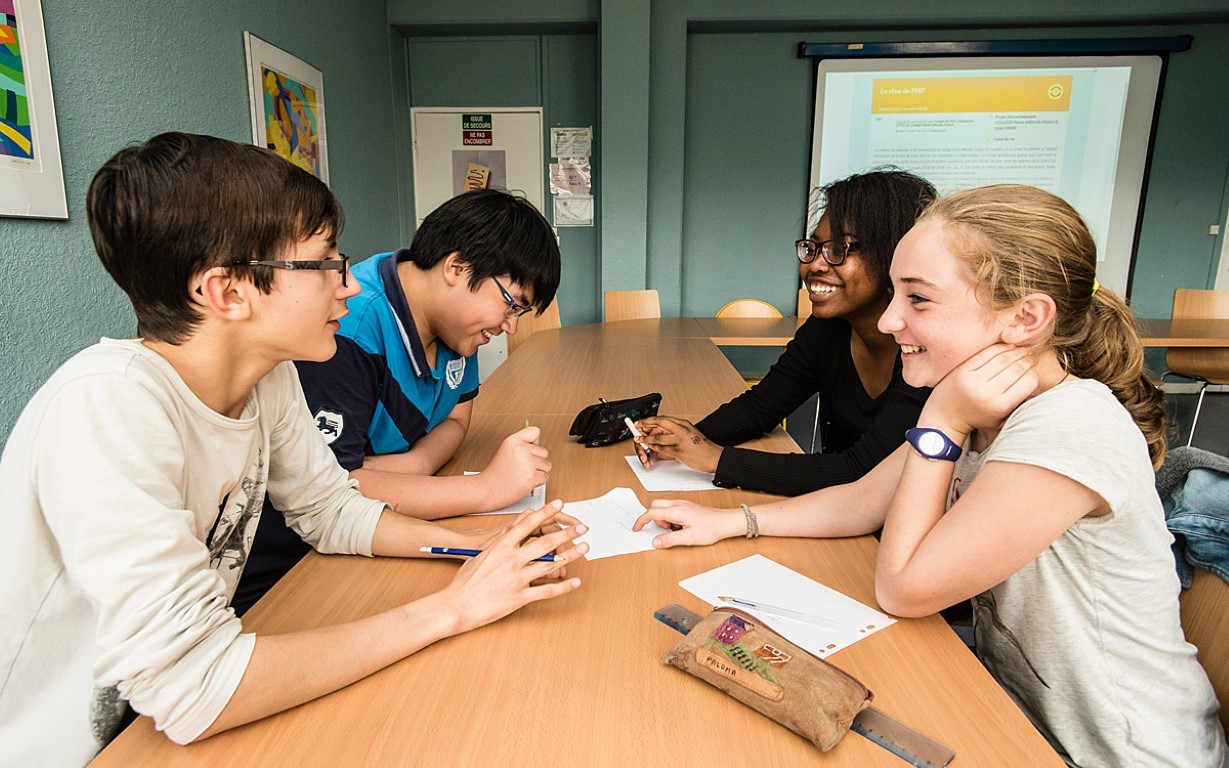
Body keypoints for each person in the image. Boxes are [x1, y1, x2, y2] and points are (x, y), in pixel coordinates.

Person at [0, 133, 586, 768]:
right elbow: (199, 688)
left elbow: (334, 512)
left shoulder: (266, 378)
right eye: (325, 263)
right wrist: (453, 607)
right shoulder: (107, 406)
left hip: (170, 710)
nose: (351, 287)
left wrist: (482, 549)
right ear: (226, 292)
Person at [633, 185, 1229, 768]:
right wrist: (732, 522)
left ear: (1026, 317)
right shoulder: (987, 406)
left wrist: (942, 419)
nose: (890, 321)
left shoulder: (1069, 424)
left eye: (917, 299)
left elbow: (905, 588)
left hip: (1109, 751)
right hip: (1015, 712)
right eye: (894, 294)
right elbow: (863, 501)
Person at [233, 189, 560, 614]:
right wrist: (485, 489)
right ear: (457, 268)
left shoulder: (457, 322)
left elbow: (458, 418)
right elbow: (335, 490)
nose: (510, 327)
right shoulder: (342, 330)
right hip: (289, 575)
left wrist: (416, 466)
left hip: (361, 535)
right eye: (511, 305)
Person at [634, 169, 935, 496]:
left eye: (837, 250)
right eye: (813, 248)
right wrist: (683, 440)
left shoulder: (928, 353)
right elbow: (761, 408)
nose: (815, 266)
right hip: (840, 513)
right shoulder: (828, 329)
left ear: (894, 255)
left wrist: (716, 458)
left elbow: (860, 470)